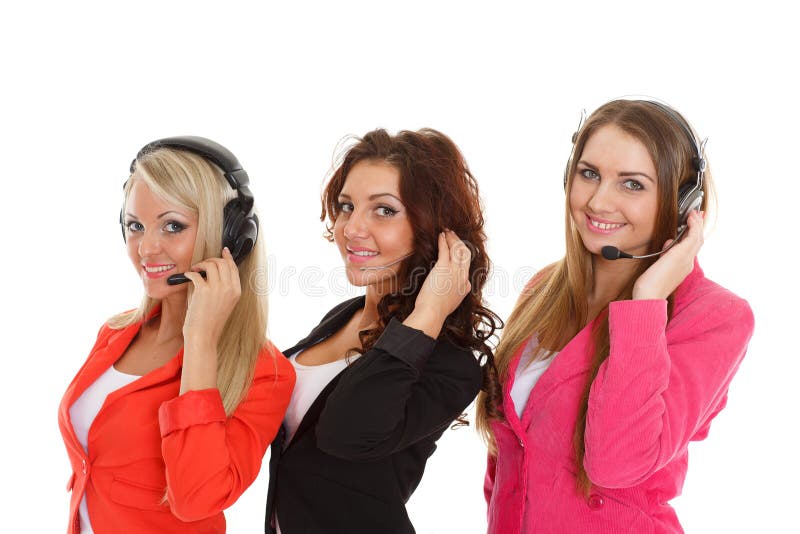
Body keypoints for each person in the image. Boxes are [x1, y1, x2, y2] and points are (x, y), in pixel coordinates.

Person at [477, 99, 755, 533]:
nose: (599, 201)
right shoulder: (545, 289)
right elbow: (505, 466)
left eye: (632, 184)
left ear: (684, 203)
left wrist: (646, 303)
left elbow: (616, 463)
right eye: (589, 174)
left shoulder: (714, 316)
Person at [265, 128, 501, 534]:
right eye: (346, 206)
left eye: (384, 210)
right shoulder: (345, 315)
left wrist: (428, 313)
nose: (352, 228)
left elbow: (345, 432)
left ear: (434, 229)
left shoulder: (450, 363)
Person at [58, 137, 295, 534]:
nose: (146, 248)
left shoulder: (264, 373)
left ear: (232, 238)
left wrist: (201, 342)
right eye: (135, 226)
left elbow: (196, 499)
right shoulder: (116, 332)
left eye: (173, 226)